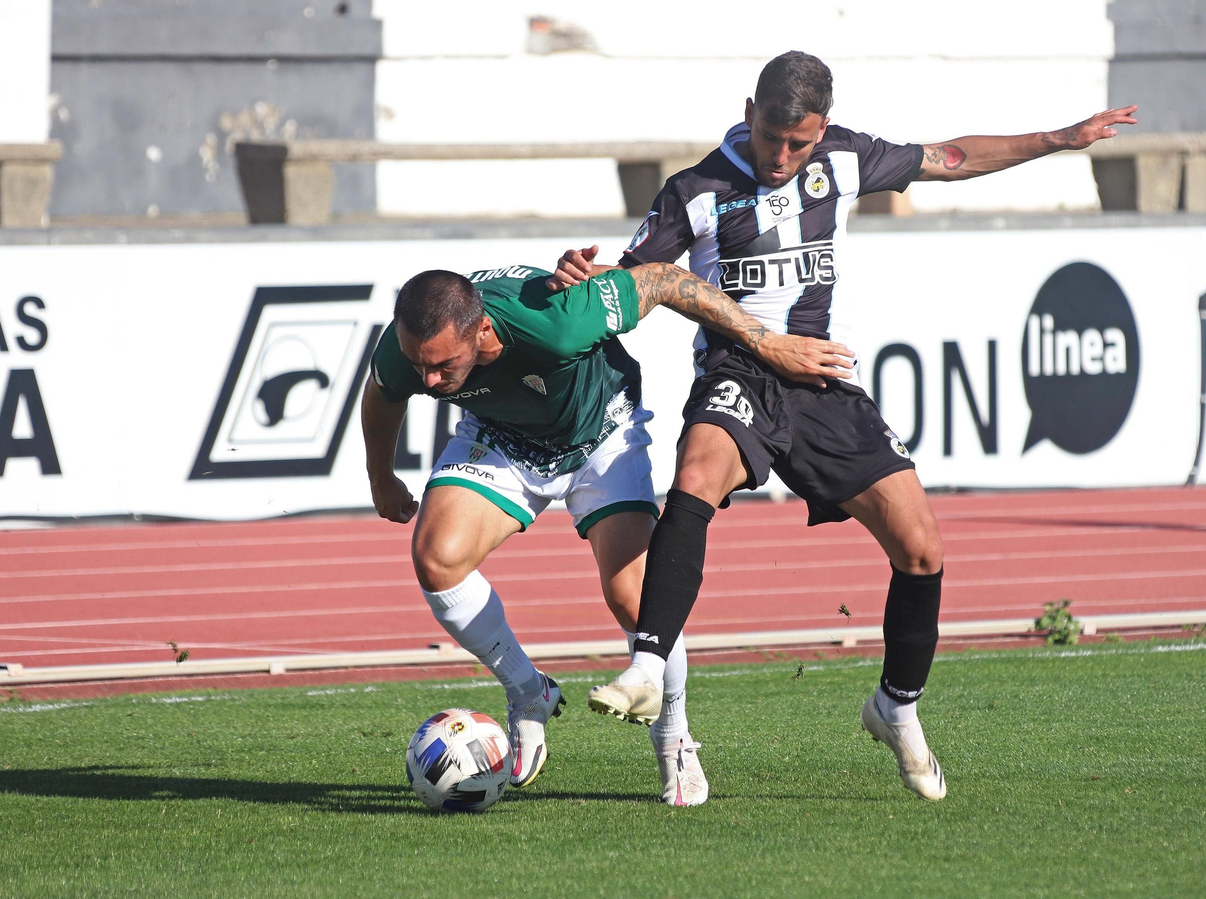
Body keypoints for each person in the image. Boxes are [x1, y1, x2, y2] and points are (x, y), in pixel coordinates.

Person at [549, 50, 1136, 801]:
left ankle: (895, 706)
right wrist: (581, 277)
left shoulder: (846, 159)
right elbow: (637, 280)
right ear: (749, 111)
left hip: (824, 381)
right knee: (695, 473)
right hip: (742, 374)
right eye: (771, 138)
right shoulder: (696, 190)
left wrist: (1058, 138)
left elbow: (949, 158)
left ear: (821, 129)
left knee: (921, 547)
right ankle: (648, 664)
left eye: (799, 143)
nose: (783, 157)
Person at [361, 261, 850, 805]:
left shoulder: (557, 319)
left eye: (442, 366)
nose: (429, 381)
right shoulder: (409, 345)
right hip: (502, 440)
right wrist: (380, 476)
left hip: (602, 435)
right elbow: (383, 393)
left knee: (635, 598)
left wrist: (768, 342)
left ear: (482, 330)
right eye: (418, 365)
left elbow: (665, 280)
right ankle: (528, 693)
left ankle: (675, 735)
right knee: (436, 558)